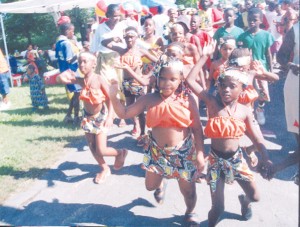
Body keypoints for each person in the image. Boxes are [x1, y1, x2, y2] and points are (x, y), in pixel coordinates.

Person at [109, 57, 205, 226]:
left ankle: (190, 212)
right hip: (157, 152)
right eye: (163, 78)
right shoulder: (149, 99)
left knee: (188, 191)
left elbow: (197, 129)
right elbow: (124, 113)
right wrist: (113, 96)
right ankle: (162, 182)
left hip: (183, 152)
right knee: (150, 187)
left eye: (173, 79)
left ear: (181, 79)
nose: (166, 83)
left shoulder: (187, 99)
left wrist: (200, 154)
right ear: (157, 78)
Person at [186, 42, 272, 226]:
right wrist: (204, 57)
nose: (225, 89)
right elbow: (190, 81)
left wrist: (266, 158)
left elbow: (257, 138)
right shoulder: (212, 102)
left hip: (236, 160)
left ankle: (245, 202)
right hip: (216, 162)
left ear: (242, 88)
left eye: (231, 86)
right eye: (222, 85)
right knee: (217, 209)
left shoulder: (244, 111)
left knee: (255, 196)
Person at [57, 51, 128, 184]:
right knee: (91, 146)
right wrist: (64, 75)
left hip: (100, 117)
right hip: (87, 118)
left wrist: (110, 117)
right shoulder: (80, 80)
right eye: (79, 62)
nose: (81, 64)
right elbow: (59, 79)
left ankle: (120, 153)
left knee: (101, 149)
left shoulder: (99, 79)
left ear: (94, 64)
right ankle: (104, 168)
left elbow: (110, 99)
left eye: (85, 61)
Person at [102, 26, 158, 145]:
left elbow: (158, 61)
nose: (129, 39)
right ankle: (136, 125)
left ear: (137, 37)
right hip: (126, 83)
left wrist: (148, 75)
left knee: (140, 110)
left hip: (137, 83)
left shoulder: (140, 51)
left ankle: (142, 134)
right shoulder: (122, 50)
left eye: (131, 37)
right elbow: (104, 43)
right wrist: (113, 38)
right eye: (126, 37)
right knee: (129, 107)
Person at [268, 20, 299, 182]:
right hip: (297, 84)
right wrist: (290, 65)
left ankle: (277, 168)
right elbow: (281, 57)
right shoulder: (296, 30)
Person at [90, 4, 127, 128]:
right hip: (104, 60)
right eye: (113, 16)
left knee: (119, 86)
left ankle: (121, 116)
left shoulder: (122, 26)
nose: (116, 18)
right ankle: (109, 114)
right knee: (107, 88)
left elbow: (129, 42)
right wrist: (92, 60)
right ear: (108, 16)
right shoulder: (100, 28)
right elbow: (94, 46)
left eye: (118, 16)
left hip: (118, 58)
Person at [238, 7, 275, 126]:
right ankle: (250, 114)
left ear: (260, 21)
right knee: (249, 91)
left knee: (262, 93)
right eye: (250, 19)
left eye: (255, 19)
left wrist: (271, 70)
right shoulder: (243, 36)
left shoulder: (265, 35)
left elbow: (268, 54)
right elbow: (239, 52)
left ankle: (260, 108)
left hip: (261, 68)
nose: (252, 22)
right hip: (247, 69)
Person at [55, 22, 82, 125]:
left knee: (75, 94)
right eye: (72, 31)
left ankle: (68, 115)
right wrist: (80, 54)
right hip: (72, 72)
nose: (73, 33)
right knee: (77, 94)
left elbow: (58, 57)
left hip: (64, 71)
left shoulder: (58, 42)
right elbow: (69, 59)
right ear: (67, 31)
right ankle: (76, 118)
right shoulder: (66, 43)